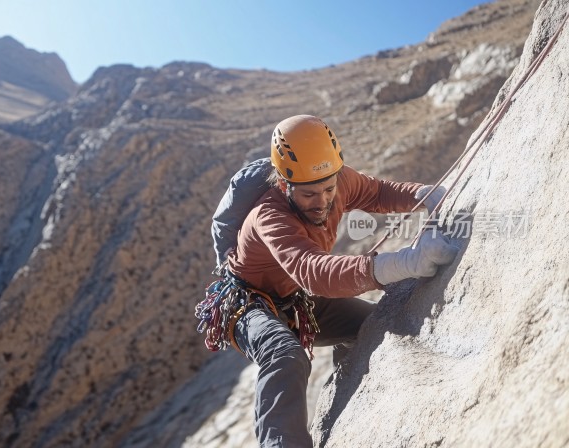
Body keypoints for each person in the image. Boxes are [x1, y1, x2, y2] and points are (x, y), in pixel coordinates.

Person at [196, 115, 459, 447]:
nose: (321, 202)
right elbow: (314, 271)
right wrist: (404, 262)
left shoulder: (336, 182)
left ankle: (346, 388)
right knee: (284, 353)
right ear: (283, 184)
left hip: (297, 298)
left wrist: (423, 195)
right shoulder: (269, 215)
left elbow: (376, 192)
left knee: (371, 325)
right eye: (308, 195)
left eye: (328, 190)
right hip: (249, 307)